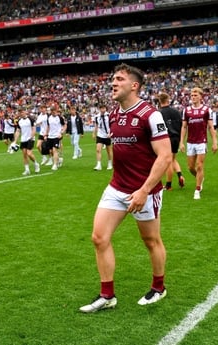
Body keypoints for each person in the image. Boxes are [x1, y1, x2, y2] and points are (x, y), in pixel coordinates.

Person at [79, 63, 172, 313]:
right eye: (112, 78)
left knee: (150, 240)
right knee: (99, 238)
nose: (113, 82)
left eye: (119, 79)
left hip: (145, 191)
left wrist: (143, 191)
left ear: (134, 85)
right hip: (117, 187)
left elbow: (165, 156)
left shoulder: (150, 114)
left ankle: (159, 287)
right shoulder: (113, 114)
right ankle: (107, 295)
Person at [180, 87, 218, 199]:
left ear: (201, 97)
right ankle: (200, 177)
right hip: (190, 142)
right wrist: (181, 142)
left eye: (195, 95)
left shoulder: (207, 110)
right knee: (191, 167)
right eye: (192, 95)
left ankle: (197, 190)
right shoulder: (186, 110)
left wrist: (215, 142)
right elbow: (184, 127)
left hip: (202, 141)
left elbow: (211, 127)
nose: (193, 97)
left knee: (200, 165)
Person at [158, 92, 184, 189]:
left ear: (160, 101)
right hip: (176, 138)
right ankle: (180, 175)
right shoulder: (176, 111)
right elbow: (181, 126)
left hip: (166, 138)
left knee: (167, 161)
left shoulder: (159, 113)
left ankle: (168, 185)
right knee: (173, 159)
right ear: (168, 100)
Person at [15, 108, 41, 175]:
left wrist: (31, 137)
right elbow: (18, 131)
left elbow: (34, 129)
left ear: (25, 112)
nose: (21, 113)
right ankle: (27, 170)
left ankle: (36, 164)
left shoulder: (31, 119)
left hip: (30, 139)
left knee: (29, 153)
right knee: (24, 155)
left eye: (22, 112)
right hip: (23, 139)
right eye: (20, 112)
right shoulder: (19, 121)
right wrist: (15, 141)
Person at [44, 105, 66, 171]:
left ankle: (55, 165)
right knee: (51, 151)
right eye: (52, 111)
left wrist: (61, 133)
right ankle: (59, 159)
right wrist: (46, 134)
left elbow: (65, 125)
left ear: (56, 111)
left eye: (55, 111)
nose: (54, 112)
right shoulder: (49, 118)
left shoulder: (60, 118)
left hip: (57, 136)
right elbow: (48, 127)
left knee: (54, 150)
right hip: (50, 136)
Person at [92, 104, 113, 171]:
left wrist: (111, 133)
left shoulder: (109, 115)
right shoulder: (97, 116)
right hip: (100, 134)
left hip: (107, 135)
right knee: (98, 149)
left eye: (103, 108)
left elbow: (112, 125)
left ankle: (110, 163)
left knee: (109, 150)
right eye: (101, 108)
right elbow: (96, 125)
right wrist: (94, 133)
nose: (102, 110)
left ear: (105, 108)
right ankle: (98, 165)